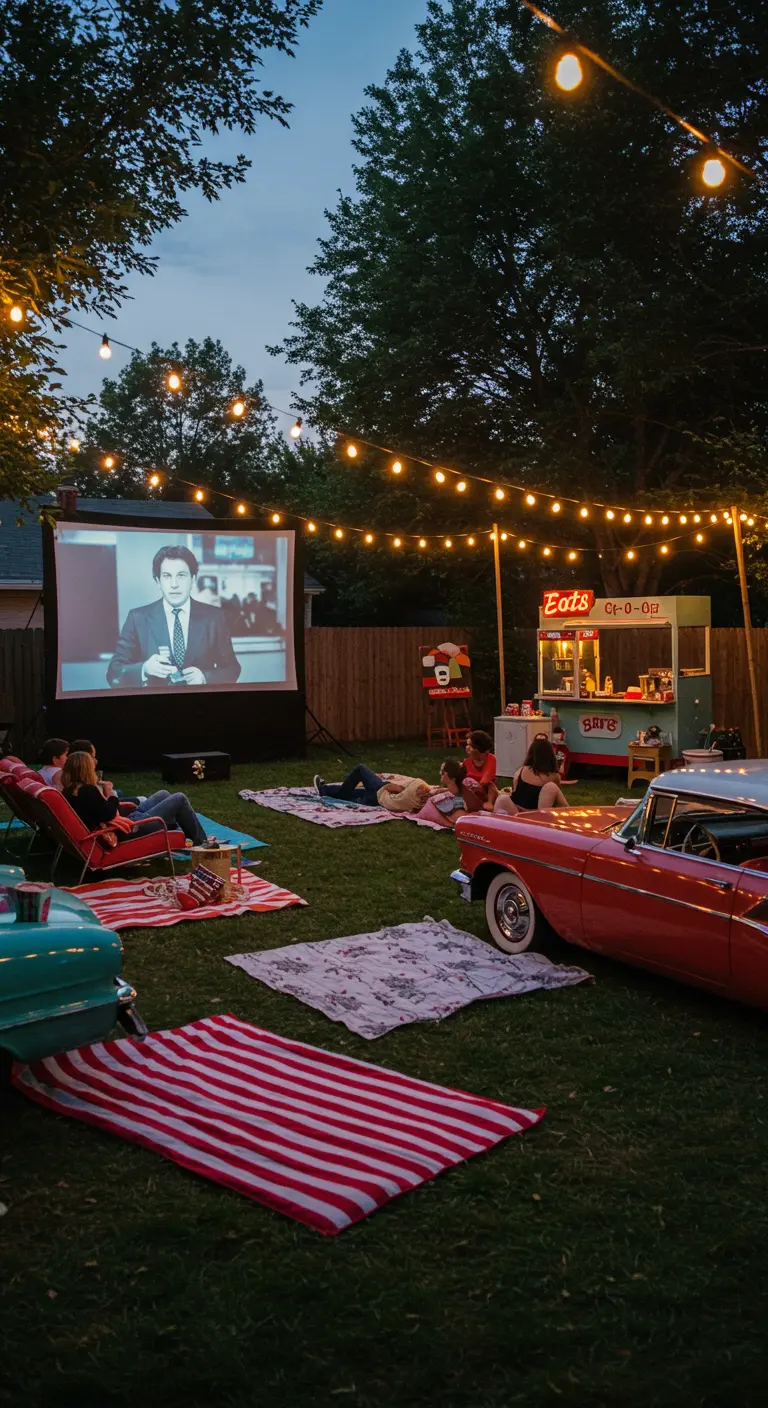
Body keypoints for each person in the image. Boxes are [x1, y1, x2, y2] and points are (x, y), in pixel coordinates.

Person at [106, 545, 241, 689]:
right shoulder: (137, 618)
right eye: (167, 576)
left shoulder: (214, 617)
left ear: (193, 579)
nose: (174, 585)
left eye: (181, 575)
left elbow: (232, 668)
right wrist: (144, 669)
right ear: (158, 581)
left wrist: (205, 677)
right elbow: (113, 672)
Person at [61, 751, 208, 846]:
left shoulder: (70, 791)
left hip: (126, 820)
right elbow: (109, 813)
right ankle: (202, 843)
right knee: (179, 798)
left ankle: (178, 828)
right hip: (131, 829)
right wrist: (110, 794)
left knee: (163, 793)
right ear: (86, 769)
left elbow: (101, 812)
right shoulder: (87, 790)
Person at [494, 737, 571, 815]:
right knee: (551, 787)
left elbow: (515, 791)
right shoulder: (554, 776)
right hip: (536, 815)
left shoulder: (521, 770)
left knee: (502, 798)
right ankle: (571, 814)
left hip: (517, 811)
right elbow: (555, 800)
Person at [413, 760, 467, 828]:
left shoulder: (446, 799)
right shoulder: (458, 793)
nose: (440, 773)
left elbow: (462, 818)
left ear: (451, 777)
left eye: (442, 772)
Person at [462, 730, 498, 812]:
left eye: (470, 745)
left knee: (490, 785)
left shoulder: (491, 759)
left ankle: (489, 803)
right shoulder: (466, 762)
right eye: (467, 744)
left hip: (487, 792)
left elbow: (486, 779)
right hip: (472, 792)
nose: (467, 747)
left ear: (479, 748)